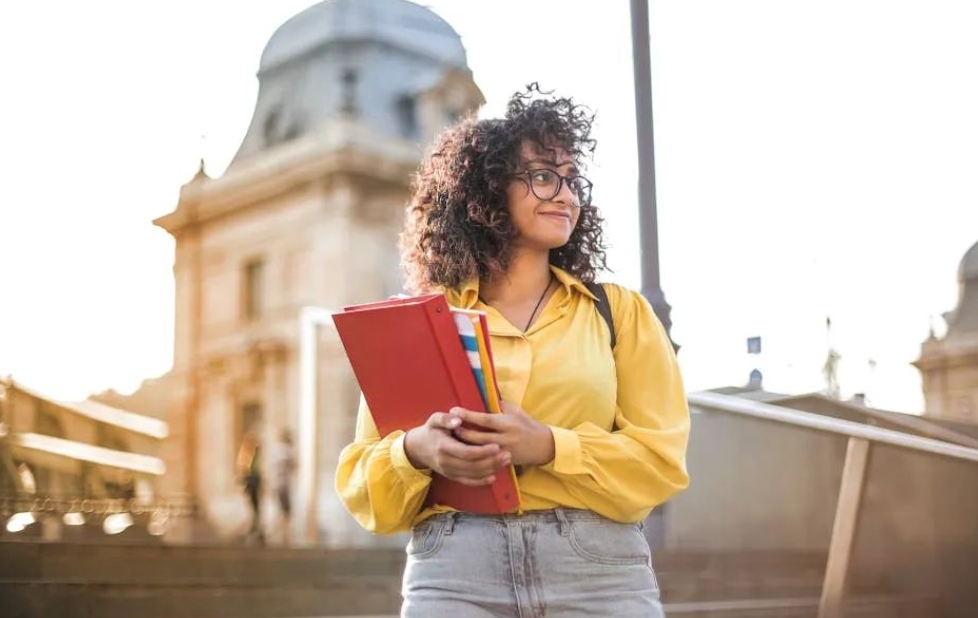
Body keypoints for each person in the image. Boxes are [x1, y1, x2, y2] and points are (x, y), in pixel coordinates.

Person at [335, 84, 690, 617]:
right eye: (544, 176)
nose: (567, 195)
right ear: (487, 191)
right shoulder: (423, 323)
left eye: (572, 180)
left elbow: (661, 463)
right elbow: (364, 485)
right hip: (454, 570)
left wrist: (548, 445)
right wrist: (416, 451)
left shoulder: (619, 313)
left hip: (597, 571)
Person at [236, 431, 264, 545]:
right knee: (254, 505)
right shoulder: (250, 452)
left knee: (255, 505)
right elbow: (244, 468)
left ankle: (255, 526)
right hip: (252, 481)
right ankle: (254, 526)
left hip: (253, 481)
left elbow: (244, 467)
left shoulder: (251, 452)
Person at [272, 428, 296, 545]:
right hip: (284, 484)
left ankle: (281, 533)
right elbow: (293, 465)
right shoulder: (287, 450)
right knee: (286, 511)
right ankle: (285, 534)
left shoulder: (275, 450)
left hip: (276, 483)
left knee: (280, 509)